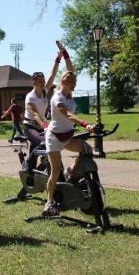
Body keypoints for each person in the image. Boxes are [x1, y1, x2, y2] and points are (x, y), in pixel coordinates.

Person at [43, 71, 95, 216]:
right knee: (55, 171)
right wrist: (85, 124)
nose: (74, 84)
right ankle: (49, 203)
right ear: (63, 82)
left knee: (87, 150)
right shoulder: (57, 97)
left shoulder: (69, 96)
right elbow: (68, 115)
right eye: (71, 81)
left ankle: (71, 170)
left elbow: (70, 68)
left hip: (67, 136)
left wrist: (65, 55)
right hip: (54, 137)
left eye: (75, 81)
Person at [23, 40, 69, 174]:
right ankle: (29, 163)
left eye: (43, 81)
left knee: (39, 145)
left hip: (42, 126)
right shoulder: (30, 97)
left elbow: (53, 74)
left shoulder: (44, 92)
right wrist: (44, 126)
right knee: (43, 143)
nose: (43, 83)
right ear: (33, 83)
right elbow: (35, 114)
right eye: (39, 82)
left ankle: (32, 170)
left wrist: (59, 58)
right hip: (30, 126)